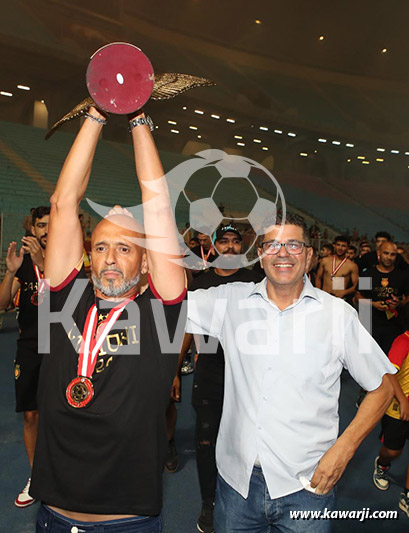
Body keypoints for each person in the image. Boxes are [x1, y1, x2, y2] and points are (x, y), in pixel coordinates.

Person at [186, 212, 395, 532]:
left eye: (294, 245)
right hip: (236, 483)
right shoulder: (229, 301)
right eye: (272, 245)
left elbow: (382, 387)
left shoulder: (337, 314)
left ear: (310, 256)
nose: (282, 253)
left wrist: (344, 448)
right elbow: (166, 303)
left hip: (308, 486)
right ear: (260, 254)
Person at [30, 107, 186, 532]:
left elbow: (157, 207)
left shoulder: (161, 313)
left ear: (148, 261)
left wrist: (136, 118)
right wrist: (98, 112)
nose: (111, 258)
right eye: (100, 247)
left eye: (125, 247)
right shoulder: (67, 298)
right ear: (87, 255)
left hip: (127, 522)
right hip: (55, 516)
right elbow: (63, 203)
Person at [173, 224, 263, 533]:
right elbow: (188, 327)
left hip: (249, 376)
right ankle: (208, 503)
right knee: (207, 441)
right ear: (214, 246)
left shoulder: (257, 281)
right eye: (223, 241)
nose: (230, 247)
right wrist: (174, 369)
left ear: (242, 247)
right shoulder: (201, 284)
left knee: (246, 439)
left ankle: (244, 496)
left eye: (235, 242)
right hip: (210, 374)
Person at [0, 205, 50, 508]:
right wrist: (9, 272)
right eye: (40, 225)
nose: (45, 230)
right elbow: (3, 303)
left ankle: (62, 471)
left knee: (61, 414)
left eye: (50, 225)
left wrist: (43, 264)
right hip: (29, 347)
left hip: (60, 345)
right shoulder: (21, 264)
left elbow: (66, 302)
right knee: (31, 414)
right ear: (31, 229)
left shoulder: (66, 257)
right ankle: (37, 475)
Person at [373, 304, 409, 518]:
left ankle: (407, 494)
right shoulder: (403, 341)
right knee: (394, 451)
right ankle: (382, 464)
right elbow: (388, 373)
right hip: (398, 408)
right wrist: (403, 399)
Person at [356, 241, 409, 354]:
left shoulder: (402, 276)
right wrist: (373, 304)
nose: (389, 257)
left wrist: (399, 303)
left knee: (390, 364)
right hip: (369, 325)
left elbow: (407, 298)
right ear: (379, 253)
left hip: (393, 327)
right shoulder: (368, 274)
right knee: (367, 361)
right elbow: (358, 297)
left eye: (392, 254)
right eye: (386, 253)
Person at [315, 235, 359, 302]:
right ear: (334, 246)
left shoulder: (352, 266)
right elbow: (318, 278)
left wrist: (344, 292)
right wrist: (319, 293)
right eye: (338, 245)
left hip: (339, 299)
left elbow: (357, 286)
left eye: (343, 246)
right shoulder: (325, 261)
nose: (340, 248)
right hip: (324, 297)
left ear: (347, 248)